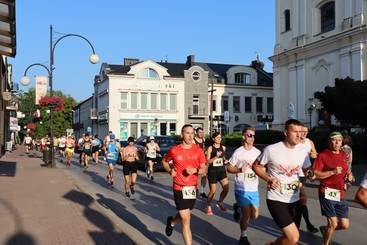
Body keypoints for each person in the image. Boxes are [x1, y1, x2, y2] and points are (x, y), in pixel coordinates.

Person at [252, 119, 312, 245]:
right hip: (276, 199)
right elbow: (256, 166)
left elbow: (307, 169)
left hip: (294, 199)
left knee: (287, 236)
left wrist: (311, 174)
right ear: (286, 132)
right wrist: (268, 178)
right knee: (293, 238)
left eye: (300, 132)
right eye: (295, 131)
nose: (299, 135)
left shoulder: (302, 151)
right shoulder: (271, 150)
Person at [163, 124, 206, 245]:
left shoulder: (198, 150)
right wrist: (169, 170)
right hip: (179, 187)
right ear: (182, 134)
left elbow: (204, 169)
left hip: (192, 188)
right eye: (188, 133)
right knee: (186, 219)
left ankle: (171, 222)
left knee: (185, 214)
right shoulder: (174, 150)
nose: (190, 135)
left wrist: (196, 170)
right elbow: (165, 162)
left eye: (192, 133)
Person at [313, 131, 354, 245]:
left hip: (339, 193)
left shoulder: (343, 154)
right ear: (329, 141)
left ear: (342, 142)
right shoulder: (323, 155)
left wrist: (349, 176)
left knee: (344, 225)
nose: (337, 143)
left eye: (339, 140)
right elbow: (315, 174)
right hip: (326, 191)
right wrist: (332, 172)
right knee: (333, 223)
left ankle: (325, 230)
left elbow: (347, 170)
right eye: (334, 140)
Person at [227, 127, 261, 245]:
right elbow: (229, 168)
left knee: (255, 215)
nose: (252, 138)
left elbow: (262, 167)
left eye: (253, 136)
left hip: (254, 188)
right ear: (244, 137)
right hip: (241, 187)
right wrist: (240, 169)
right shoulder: (238, 152)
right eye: (249, 135)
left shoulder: (258, 152)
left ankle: (237, 206)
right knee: (246, 215)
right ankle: (243, 235)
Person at [294, 125, 318, 233]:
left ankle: (302, 225)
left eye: (306, 132)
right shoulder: (295, 142)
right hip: (295, 174)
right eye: (302, 131)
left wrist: (313, 155)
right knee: (302, 199)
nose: (304, 134)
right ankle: (306, 224)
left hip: (304, 173)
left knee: (301, 200)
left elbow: (315, 154)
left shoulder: (309, 142)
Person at [205, 132, 229, 215]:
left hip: (222, 171)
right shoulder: (210, 148)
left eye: (220, 137)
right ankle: (208, 206)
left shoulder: (223, 147)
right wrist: (216, 157)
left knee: (226, 188)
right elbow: (207, 162)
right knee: (213, 191)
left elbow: (224, 158)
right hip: (213, 172)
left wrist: (225, 161)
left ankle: (219, 202)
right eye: (217, 137)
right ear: (213, 139)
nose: (219, 139)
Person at [193, 127, 207, 198]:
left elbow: (204, 149)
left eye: (202, 132)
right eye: (200, 132)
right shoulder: (193, 140)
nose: (201, 134)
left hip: (202, 160)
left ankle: (202, 191)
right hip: (195, 160)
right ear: (196, 133)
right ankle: (195, 189)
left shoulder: (204, 140)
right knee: (195, 176)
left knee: (204, 175)